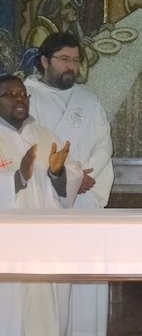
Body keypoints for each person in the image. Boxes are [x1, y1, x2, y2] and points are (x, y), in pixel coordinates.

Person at [24, 32, 114, 336]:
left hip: (87, 205)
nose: (71, 67)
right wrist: (70, 179)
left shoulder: (89, 100)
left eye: (75, 60)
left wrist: (85, 179)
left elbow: (104, 146)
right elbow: (24, 150)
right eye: (64, 59)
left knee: (85, 289)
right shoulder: (23, 96)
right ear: (44, 61)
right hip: (45, 207)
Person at [0, 74, 82, 336]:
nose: (19, 98)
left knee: (48, 316)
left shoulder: (46, 136)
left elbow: (65, 188)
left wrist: (57, 174)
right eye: (10, 94)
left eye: (23, 93)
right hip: (8, 248)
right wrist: (18, 177)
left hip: (46, 245)